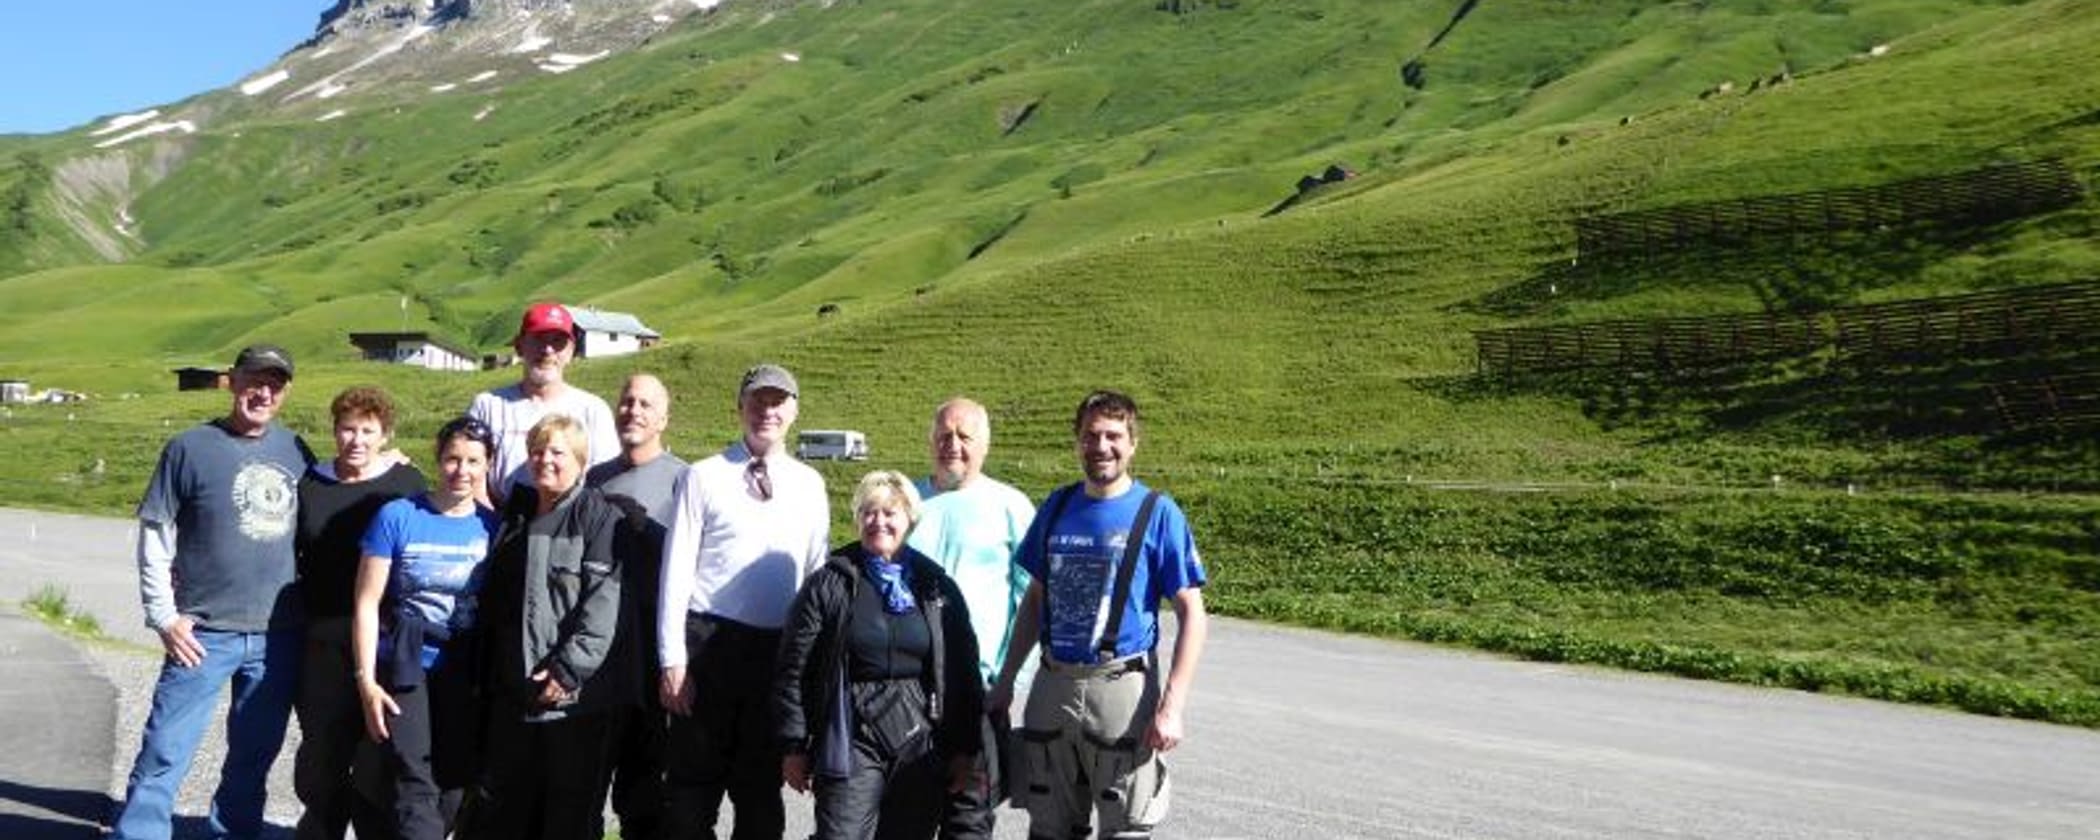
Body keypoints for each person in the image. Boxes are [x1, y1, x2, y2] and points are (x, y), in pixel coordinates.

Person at [111, 343, 314, 840]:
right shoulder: (188, 448)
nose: (262, 392)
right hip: (201, 633)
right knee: (166, 747)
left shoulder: (297, 451)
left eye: (274, 384)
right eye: (254, 380)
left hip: (277, 636)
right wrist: (163, 616)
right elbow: (156, 534)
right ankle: (139, 833)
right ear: (232, 380)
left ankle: (233, 833)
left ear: (285, 393)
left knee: (254, 754)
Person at [988, 390, 1210, 840]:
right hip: (1054, 683)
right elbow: (1035, 600)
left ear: (1133, 443)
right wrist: (1006, 680)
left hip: (1121, 687)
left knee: (1126, 826)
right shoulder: (1056, 507)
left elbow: (1193, 613)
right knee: (1048, 827)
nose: (1101, 446)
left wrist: (1171, 707)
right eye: (1091, 436)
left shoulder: (1158, 513)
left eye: (1113, 436)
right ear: (1078, 441)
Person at [659, 363, 830, 840]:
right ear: (740, 407)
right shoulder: (703, 475)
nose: (767, 411)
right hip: (706, 645)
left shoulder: (810, 484)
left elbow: (816, 575)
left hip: (775, 652)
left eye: (778, 402)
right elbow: (676, 569)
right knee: (690, 798)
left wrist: (808, 666)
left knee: (759, 797)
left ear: (794, 412)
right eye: (757, 400)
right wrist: (672, 659)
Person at [775, 471, 985, 840]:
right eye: (868, 512)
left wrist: (965, 747)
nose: (878, 522)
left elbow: (963, 670)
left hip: (919, 727)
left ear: (909, 519)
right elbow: (794, 668)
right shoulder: (829, 582)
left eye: (890, 513)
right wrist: (794, 745)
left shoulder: (935, 584)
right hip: (850, 728)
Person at [464, 414, 629, 840]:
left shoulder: (598, 517)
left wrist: (567, 671)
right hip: (510, 692)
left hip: (570, 701)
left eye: (557, 451)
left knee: (566, 816)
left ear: (581, 460)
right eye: (537, 451)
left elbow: (603, 607)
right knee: (505, 813)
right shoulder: (515, 516)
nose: (545, 460)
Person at [351, 417, 502, 840]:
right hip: (406, 663)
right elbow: (366, 603)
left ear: (487, 465)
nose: (461, 470)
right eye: (452, 459)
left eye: (473, 461)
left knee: (453, 782)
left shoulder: (494, 527)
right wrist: (366, 681)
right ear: (438, 459)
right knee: (412, 774)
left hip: (464, 666)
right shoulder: (398, 516)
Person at [294, 386, 427, 840]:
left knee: (377, 751)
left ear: (385, 435)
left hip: (384, 637)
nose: (356, 440)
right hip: (323, 637)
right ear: (335, 431)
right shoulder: (311, 483)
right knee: (322, 750)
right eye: (348, 429)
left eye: (368, 431)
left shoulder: (406, 482)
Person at [904, 398, 1035, 840]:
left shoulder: (1010, 506)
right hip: (908, 690)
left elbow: (1033, 602)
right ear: (930, 441)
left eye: (964, 436)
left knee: (969, 818)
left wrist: (1010, 680)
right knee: (907, 814)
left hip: (979, 690)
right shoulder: (905, 503)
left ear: (985, 445)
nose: (953, 445)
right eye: (944, 435)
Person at [585, 373, 688, 840]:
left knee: (643, 783)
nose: (634, 411)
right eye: (627, 402)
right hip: (597, 646)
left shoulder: (684, 480)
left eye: (646, 404)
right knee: (586, 778)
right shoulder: (594, 478)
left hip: (650, 647)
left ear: (664, 418)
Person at [467, 301, 619, 505]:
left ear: (571, 351)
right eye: (538, 339)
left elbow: (606, 482)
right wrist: (492, 518)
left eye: (558, 341)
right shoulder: (487, 406)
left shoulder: (594, 410)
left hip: (572, 519)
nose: (548, 350)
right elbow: (468, 472)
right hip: (498, 518)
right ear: (519, 346)